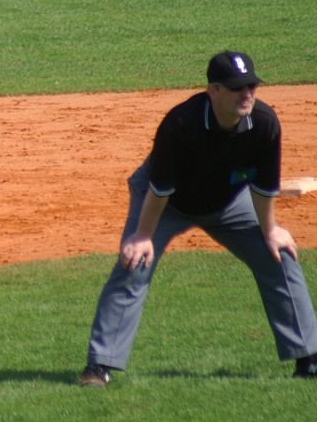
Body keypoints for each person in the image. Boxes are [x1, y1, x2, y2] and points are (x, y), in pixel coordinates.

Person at [80, 51, 317, 386]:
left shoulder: (264, 123)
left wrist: (270, 230)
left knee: (278, 255)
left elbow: (263, 189)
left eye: (251, 86)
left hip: (228, 202)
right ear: (213, 90)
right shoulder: (181, 123)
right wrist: (143, 236)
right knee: (134, 262)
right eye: (237, 87)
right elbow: (160, 190)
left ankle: (309, 357)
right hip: (165, 203)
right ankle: (100, 364)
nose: (247, 93)